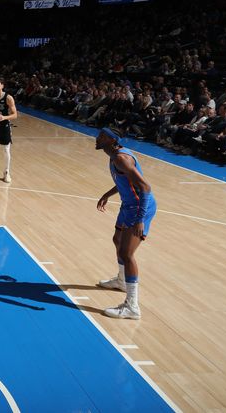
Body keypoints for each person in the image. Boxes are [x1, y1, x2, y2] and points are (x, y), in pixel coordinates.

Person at [95, 128, 157, 320]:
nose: (97, 139)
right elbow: (125, 180)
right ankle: (122, 281)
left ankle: (132, 307)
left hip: (139, 207)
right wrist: (108, 194)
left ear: (112, 140)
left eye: (101, 137)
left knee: (126, 253)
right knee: (117, 239)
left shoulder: (121, 158)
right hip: (128, 205)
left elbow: (145, 187)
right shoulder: (114, 155)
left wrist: (140, 218)